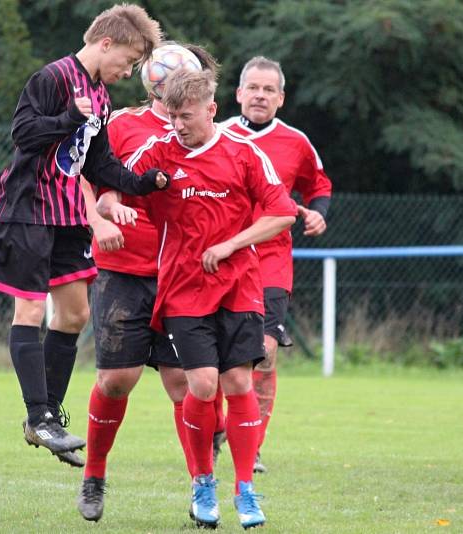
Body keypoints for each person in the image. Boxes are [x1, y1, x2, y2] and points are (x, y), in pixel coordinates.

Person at [0, 3, 167, 467]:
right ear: (105, 43)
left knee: (74, 314)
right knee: (29, 308)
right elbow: (24, 134)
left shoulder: (101, 96)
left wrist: (141, 183)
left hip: (67, 217)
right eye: (127, 61)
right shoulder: (52, 79)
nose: (128, 72)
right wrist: (68, 117)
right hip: (24, 211)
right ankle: (39, 416)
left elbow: (97, 162)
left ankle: (45, 417)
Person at [131, 69, 297, 529]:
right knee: (203, 386)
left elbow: (282, 213)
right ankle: (202, 480)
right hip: (184, 289)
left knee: (240, 383)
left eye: (185, 116)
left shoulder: (244, 154)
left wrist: (230, 245)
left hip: (240, 284)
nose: (177, 125)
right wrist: (110, 209)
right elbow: (117, 189)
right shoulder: (159, 152)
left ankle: (245, 489)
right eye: (171, 116)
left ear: (211, 110)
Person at [75, 42, 223, 522]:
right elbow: (79, 172)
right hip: (124, 268)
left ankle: (202, 488)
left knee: (187, 383)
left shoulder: (207, 132)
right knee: (118, 379)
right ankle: (94, 474)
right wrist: (102, 216)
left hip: (182, 275)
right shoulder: (121, 124)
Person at [221, 56, 332, 473]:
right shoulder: (218, 136)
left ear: (281, 98)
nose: (260, 95)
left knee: (263, 354)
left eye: (269, 90)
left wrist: (318, 211)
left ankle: (253, 443)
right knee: (219, 358)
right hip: (223, 259)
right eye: (253, 87)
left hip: (270, 261)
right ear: (238, 94)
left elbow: (318, 185)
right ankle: (219, 431)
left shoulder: (296, 142)